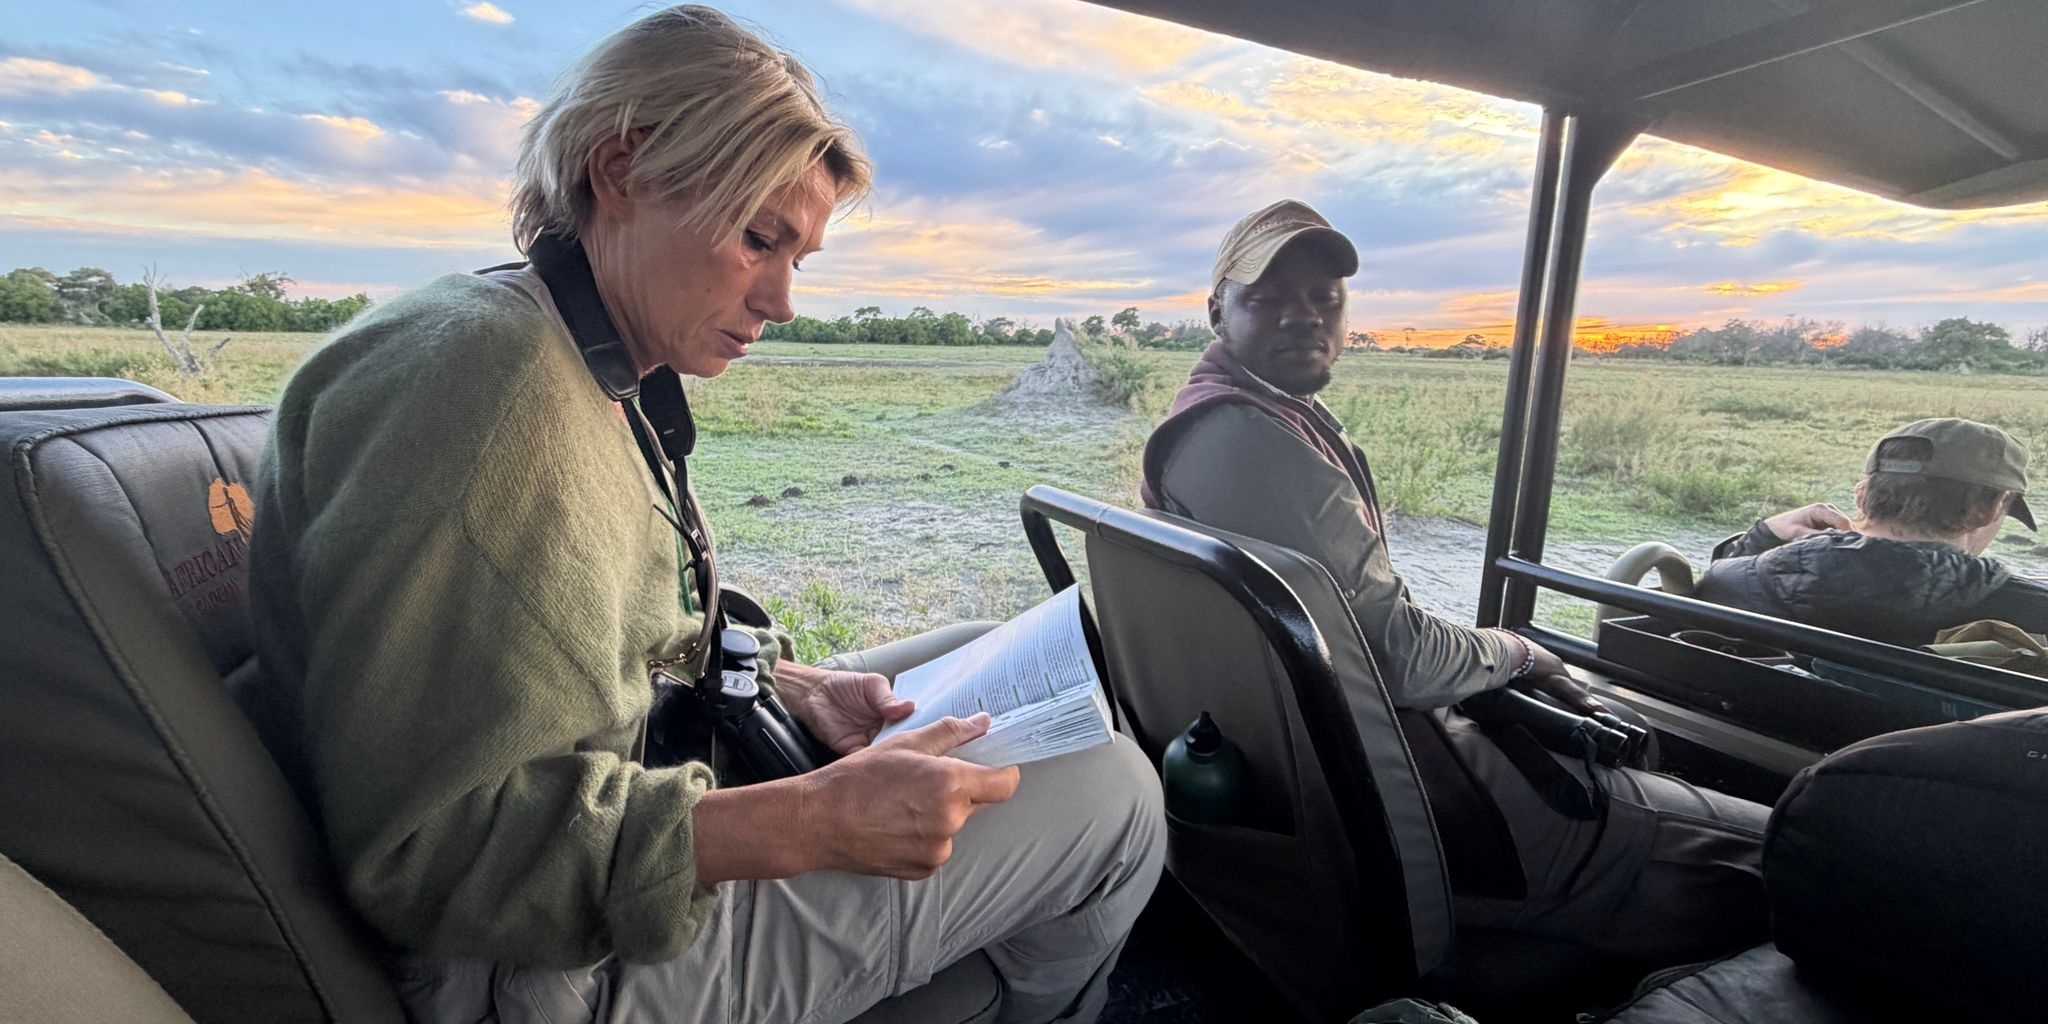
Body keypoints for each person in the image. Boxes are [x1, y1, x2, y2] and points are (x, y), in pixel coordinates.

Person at [244, 9, 1162, 1023]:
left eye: (797, 256)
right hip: (535, 968)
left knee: (977, 661)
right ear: (621, 171)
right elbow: (434, 856)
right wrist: (808, 823)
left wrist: (791, 684)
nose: (781, 302)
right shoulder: (486, 393)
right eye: (756, 238)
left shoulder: (568, 354)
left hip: (624, 797)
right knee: (1112, 786)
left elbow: (596, 639)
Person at [1140, 199, 1768, 966]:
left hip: (1329, 758)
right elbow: (1402, 658)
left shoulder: (1228, 420)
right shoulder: (1253, 442)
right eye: (1265, 298)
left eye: (1322, 298)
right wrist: (1521, 653)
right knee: (1781, 846)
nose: (1302, 316)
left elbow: (1364, 624)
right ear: (1216, 312)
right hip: (1407, 783)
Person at [1696, 418, 2046, 645]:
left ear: (1862, 495)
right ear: (1990, 508)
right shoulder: (2031, 614)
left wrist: (1764, 535)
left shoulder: (1731, 580)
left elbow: (1722, 581)